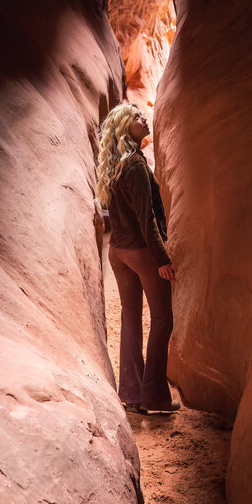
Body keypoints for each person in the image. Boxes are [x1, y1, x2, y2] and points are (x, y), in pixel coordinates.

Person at [96, 102, 178, 414]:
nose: (143, 118)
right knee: (162, 319)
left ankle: (131, 392)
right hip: (141, 252)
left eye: (142, 114)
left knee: (131, 316)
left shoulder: (115, 164)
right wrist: (162, 259)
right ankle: (155, 396)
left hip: (117, 252)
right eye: (135, 117)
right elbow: (147, 221)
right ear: (123, 128)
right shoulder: (135, 165)